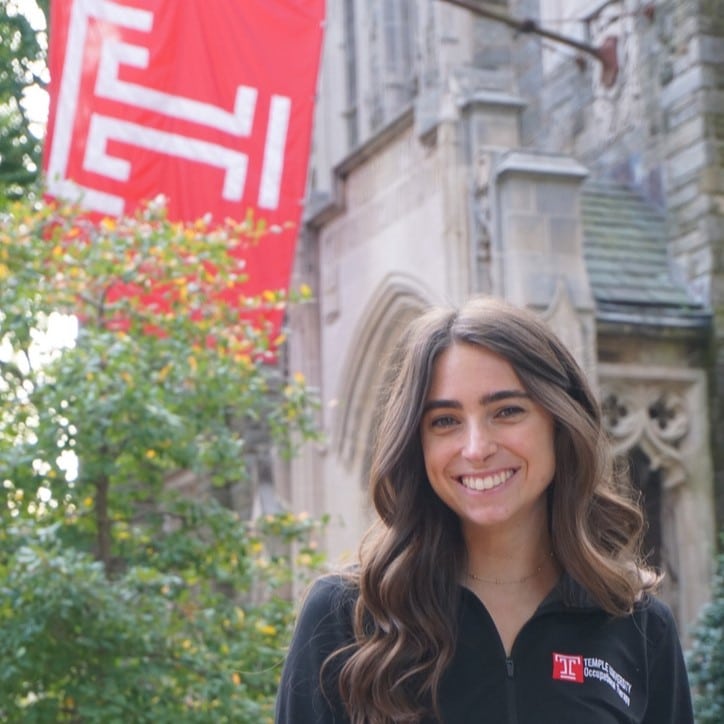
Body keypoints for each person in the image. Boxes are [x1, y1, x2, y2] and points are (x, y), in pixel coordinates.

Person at [275, 295, 695, 724]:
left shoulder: (637, 624)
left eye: (507, 411)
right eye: (445, 421)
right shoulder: (348, 617)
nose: (476, 449)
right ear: (417, 443)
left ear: (561, 421)